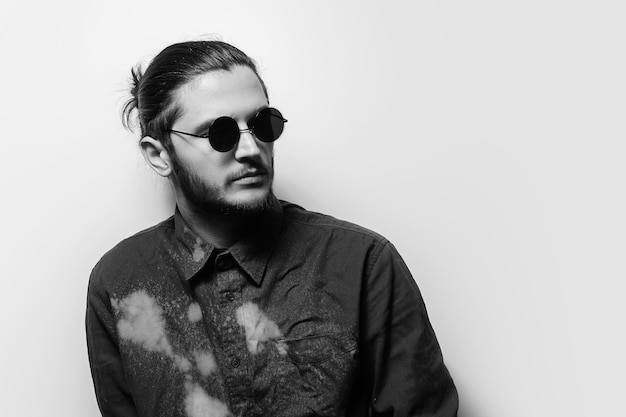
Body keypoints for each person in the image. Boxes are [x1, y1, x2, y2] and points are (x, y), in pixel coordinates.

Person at [86, 40, 459, 417]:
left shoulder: (362, 263)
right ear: (159, 154)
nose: (251, 149)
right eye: (220, 133)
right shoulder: (119, 282)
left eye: (262, 124)